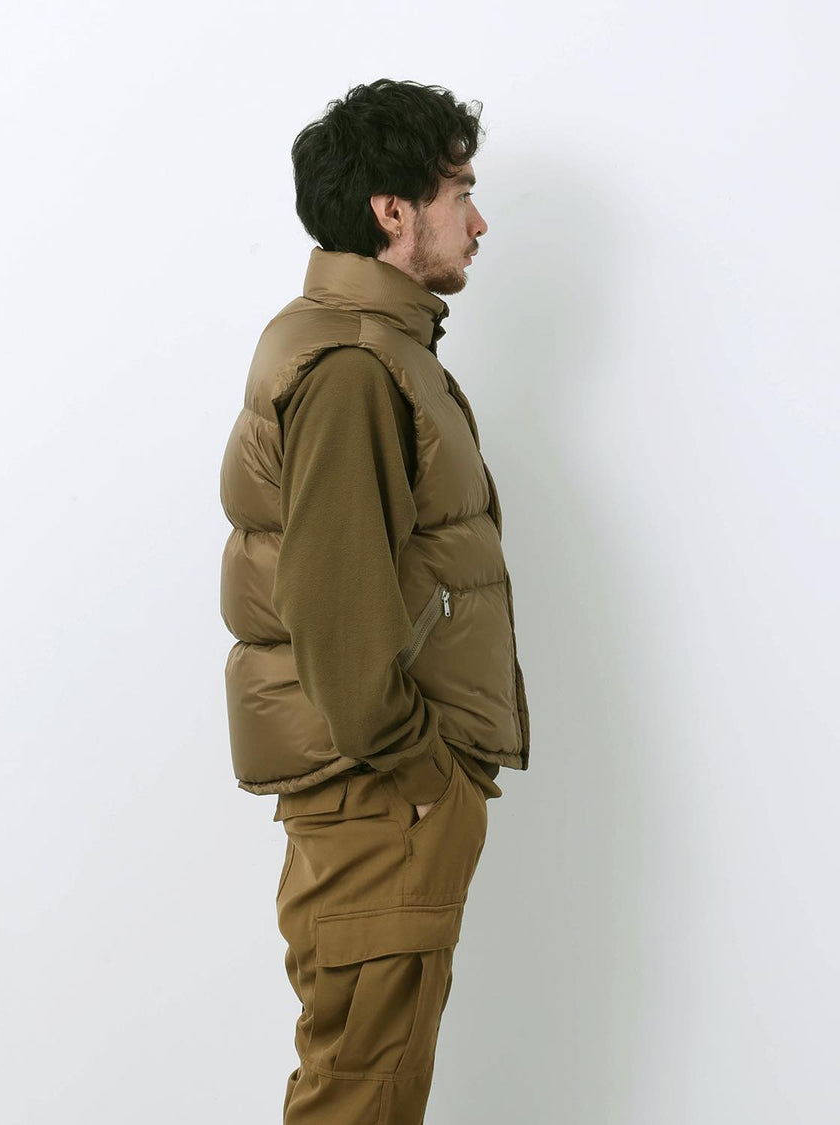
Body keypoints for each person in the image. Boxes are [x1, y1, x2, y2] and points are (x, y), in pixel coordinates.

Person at [218, 77, 530, 1124]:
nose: (478, 222)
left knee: (362, 1088)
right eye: (460, 193)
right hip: (381, 796)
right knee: (361, 1098)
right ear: (393, 211)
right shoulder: (355, 364)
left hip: (376, 795)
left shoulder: (368, 346)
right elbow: (335, 614)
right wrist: (423, 772)